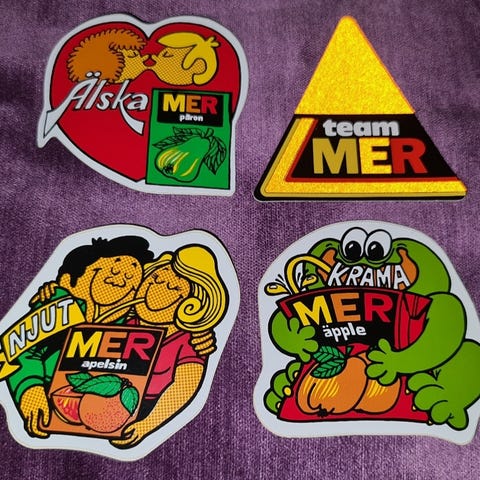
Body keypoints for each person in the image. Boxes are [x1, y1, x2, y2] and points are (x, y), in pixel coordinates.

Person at [7, 236, 155, 438]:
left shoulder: (128, 325)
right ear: (69, 281)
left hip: (94, 407)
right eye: (112, 272)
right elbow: (23, 352)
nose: (122, 279)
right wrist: (30, 392)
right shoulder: (60, 307)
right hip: (48, 398)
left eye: (131, 281)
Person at [111, 244, 228, 448]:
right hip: (105, 398)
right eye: (155, 279)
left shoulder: (187, 341)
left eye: (173, 289)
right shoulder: (126, 324)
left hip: (149, 407)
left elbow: (184, 386)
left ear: (193, 304)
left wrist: (147, 425)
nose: (157, 289)